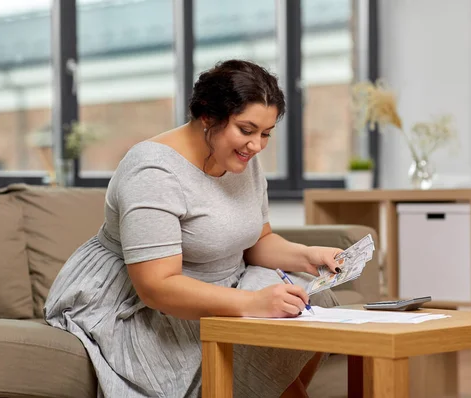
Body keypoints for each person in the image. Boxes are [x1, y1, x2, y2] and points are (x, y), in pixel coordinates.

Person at [44, 59, 343, 398]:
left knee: (307, 294)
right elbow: (157, 287)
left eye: (265, 134)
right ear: (207, 116)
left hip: (223, 281)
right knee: (262, 330)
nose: (257, 145)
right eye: (246, 130)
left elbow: (256, 241)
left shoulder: (242, 158)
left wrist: (307, 255)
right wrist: (252, 303)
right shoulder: (153, 173)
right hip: (143, 303)